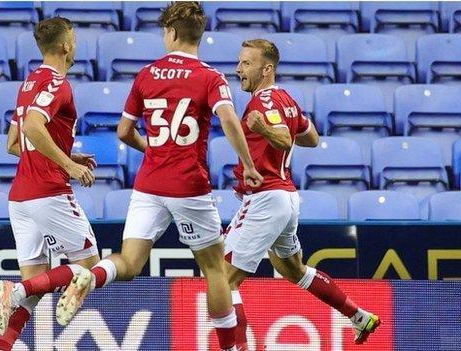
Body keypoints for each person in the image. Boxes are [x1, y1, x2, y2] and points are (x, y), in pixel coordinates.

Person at [55, 3, 263, 350]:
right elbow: (227, 118)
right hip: (188, 184)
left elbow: (123, 131)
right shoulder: (210, 77)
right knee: (214, 269)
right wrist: (249, 164)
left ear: (171, 33)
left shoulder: (147, 74)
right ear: (199, 35)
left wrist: (153, 150)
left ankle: (90, 277)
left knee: (129, 261)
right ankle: (231, 346)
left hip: (149, 184)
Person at [224, 39, 381, 350]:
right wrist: (277, 131)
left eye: (245, 64)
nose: (238, 69)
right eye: (239, 62)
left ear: (266, 69)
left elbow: (283, 138)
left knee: (223, 279)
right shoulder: (286, 99)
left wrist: (265, 129)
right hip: (286, 198)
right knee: (293, 269)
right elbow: (311, 138)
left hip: (266, 198)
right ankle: (358, 315)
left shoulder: (263, 103)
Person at [0, 17, 102, 351]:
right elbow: (33, 127)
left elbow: (14, 142)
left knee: (37, 285)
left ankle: (3, 346)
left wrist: (68, 153)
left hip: (20, 197)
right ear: (65, 45)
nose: (76, 45)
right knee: (91, 267)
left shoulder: (29, 83)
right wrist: (67, 165)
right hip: (49, 192)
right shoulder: (58, 84)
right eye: (75, 39)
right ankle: (17, 291)